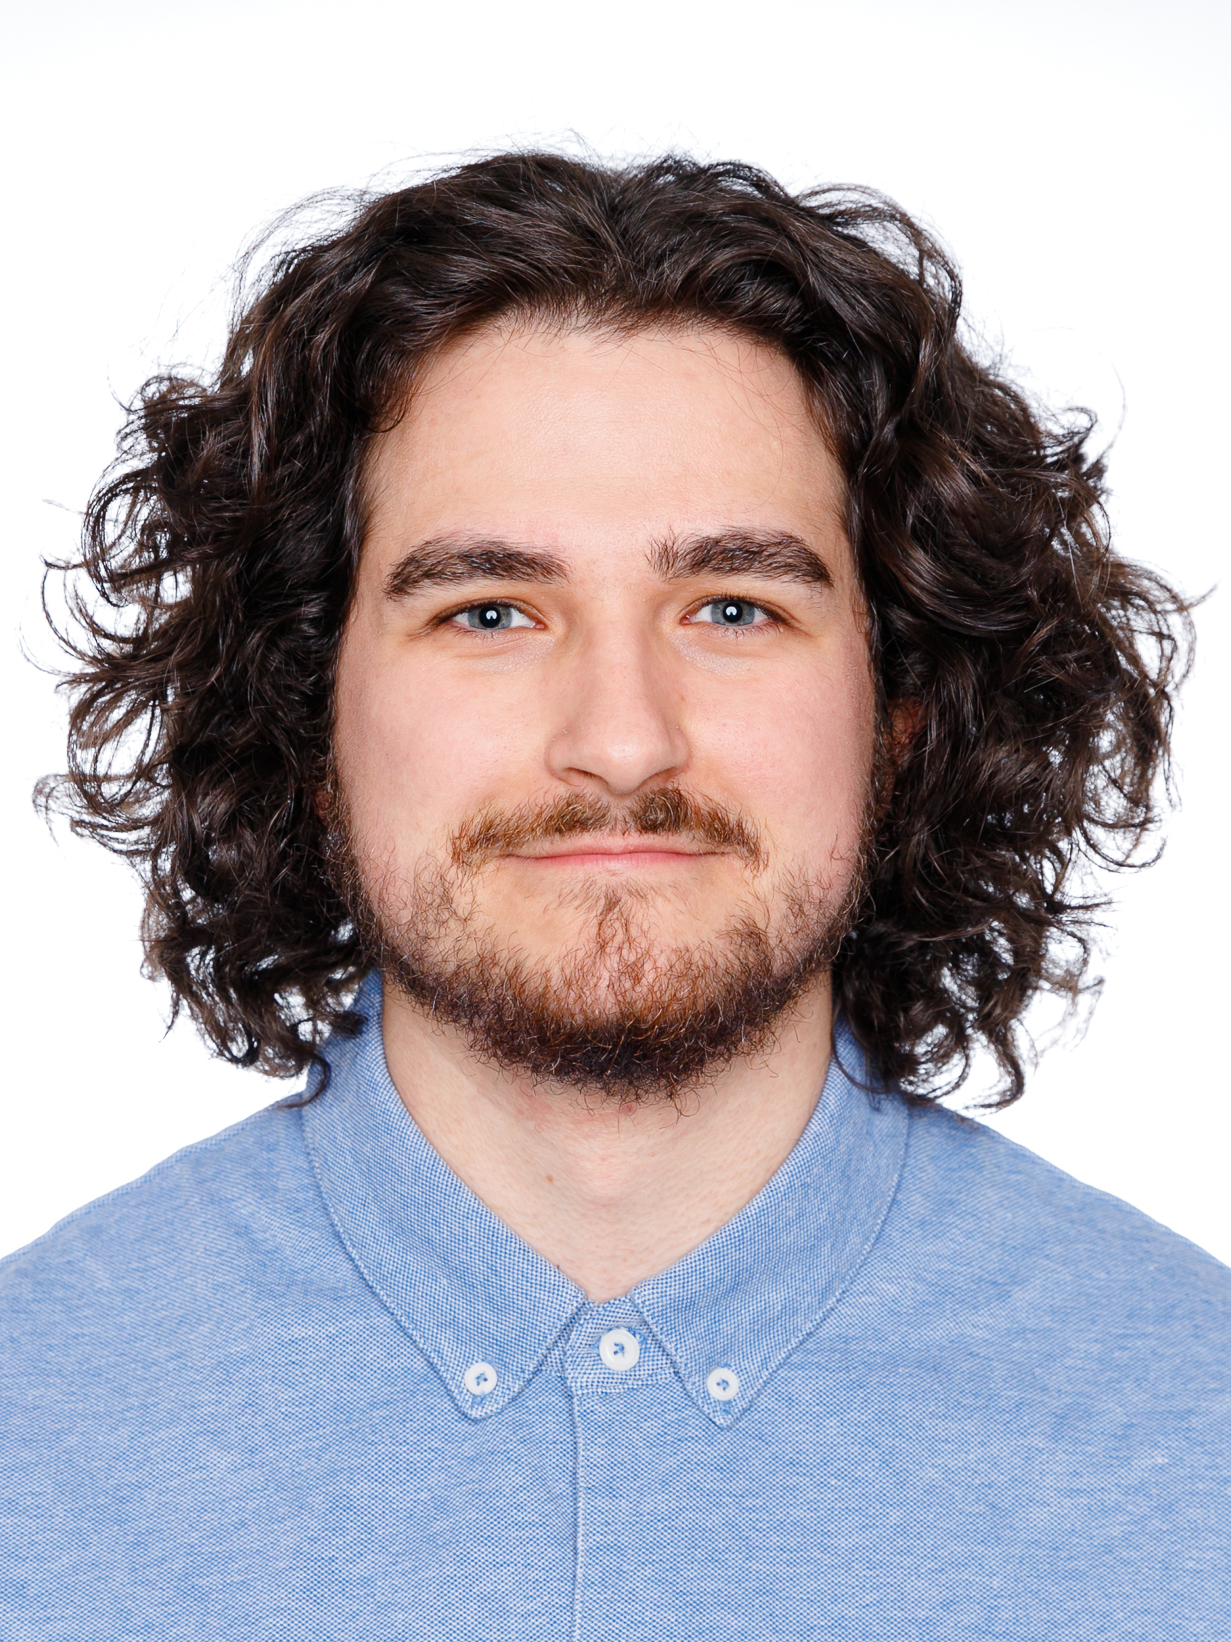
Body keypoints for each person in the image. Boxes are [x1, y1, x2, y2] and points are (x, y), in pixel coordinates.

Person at [2, 152, 1226, 1640]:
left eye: (733, 607)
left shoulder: (1200, 1432)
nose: (623, 739)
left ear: (902, 715)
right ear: (308, 717)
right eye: (491, 611)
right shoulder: (29, 1428)